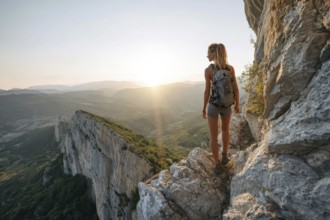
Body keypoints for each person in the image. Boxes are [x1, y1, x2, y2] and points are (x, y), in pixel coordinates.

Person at [202, 43, 239, 175]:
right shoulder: (230, 69)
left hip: (213, 106)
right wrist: (237, 104)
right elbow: (235, 88)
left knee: (213, 136)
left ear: (213, 54)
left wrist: (203, 108)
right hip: (227, 106)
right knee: (225, 130)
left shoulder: (209, 70)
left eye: (208, 53)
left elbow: (207, 91)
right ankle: (224, 157)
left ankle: (217, 165)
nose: (207, 55)